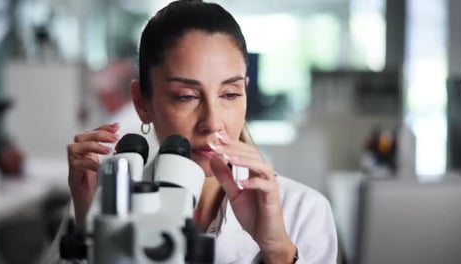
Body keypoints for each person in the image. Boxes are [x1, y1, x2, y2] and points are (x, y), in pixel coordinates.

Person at [43, 1, 338, 263]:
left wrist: (279, 253)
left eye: (230, 95)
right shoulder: (109, 199)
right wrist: (93, 235)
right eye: (186, 96)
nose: (212, 122)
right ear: (142, 103)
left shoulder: (303, 211)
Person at [88, 59, 159, 161]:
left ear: (109, 95)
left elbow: (94, 167)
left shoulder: (113, 130)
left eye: (99, 96)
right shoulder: (155, 119)